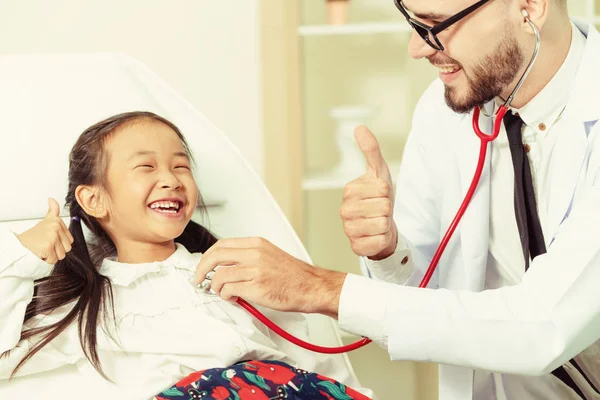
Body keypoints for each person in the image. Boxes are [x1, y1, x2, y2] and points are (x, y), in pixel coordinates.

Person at [194, 0, 600, 398]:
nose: (418, 47)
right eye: (412, 20)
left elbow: (545, 324)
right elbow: (427, 290)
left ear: (531, 6)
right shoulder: (445, 110)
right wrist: (388, 250)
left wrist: (319, 289)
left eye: (437, 24)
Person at [0, 111, 370, 400]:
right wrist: (22, 257)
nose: (172, 179)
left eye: (181, 166)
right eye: (146, 167)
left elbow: (314, 364)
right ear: (93, 199)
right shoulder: (87, 305)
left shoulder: (238, 271)